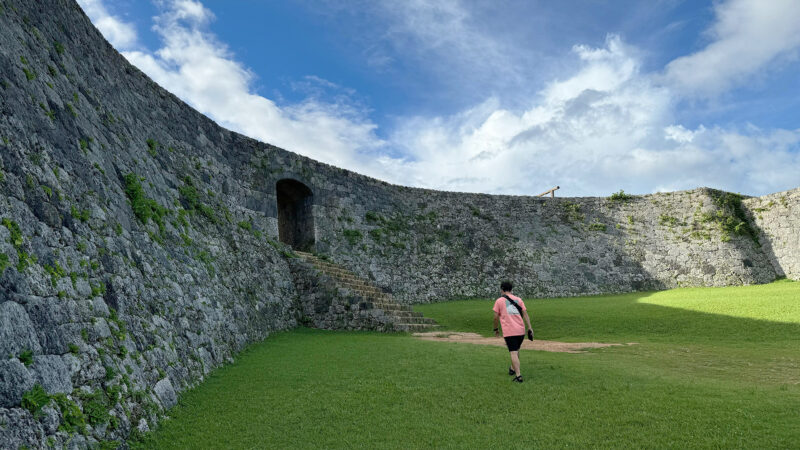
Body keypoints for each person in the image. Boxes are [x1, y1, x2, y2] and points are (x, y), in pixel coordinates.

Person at [493, 281, 533, 383]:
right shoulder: (519, 300)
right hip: (520, 331)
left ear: (502, 289)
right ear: (511, 289)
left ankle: (518, 376)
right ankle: (512, 368)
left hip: (509, 331)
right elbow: (525, 314)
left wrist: (496, 329)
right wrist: (530, 328)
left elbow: (495, 317)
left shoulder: (499, 301)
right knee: (516, 350)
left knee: (513, 352)